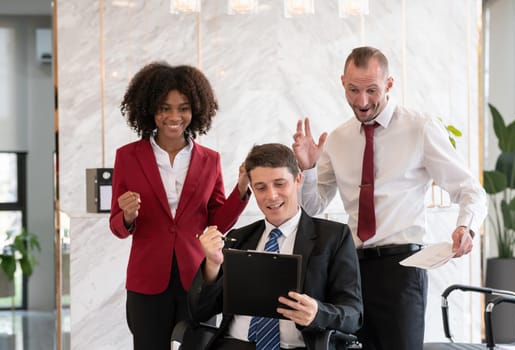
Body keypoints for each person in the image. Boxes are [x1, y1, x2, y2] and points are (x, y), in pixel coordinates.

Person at [292, 46, 487, 350]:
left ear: (389, 84)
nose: (362, 101)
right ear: (343, 82)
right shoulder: (339, 139)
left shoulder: (420, 128)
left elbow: (470, 189)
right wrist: (309, 169)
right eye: (353, 90)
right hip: (351, 268)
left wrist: (466, 227)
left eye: (372, 90)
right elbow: (314, 207)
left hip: (403, 267)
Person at [109, 62, 250, 350]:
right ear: (150, 109)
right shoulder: (127, 157)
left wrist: (242, 188)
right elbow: (118, 228)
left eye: (183, 108)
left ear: (195, 110)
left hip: (197, 277)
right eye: (164, 107)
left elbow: (218, 223)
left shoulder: (209, 159)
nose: (174, 116)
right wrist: (127, 216)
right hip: (146, 281)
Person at [188, 143, 363, 350]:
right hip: (235, 345)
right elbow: (199, 312)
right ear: (252, 189)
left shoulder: (333, 237)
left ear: (298, 179)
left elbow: (354, 315)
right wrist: (213, 265)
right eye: (261, 187)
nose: (271, 196)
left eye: (280, 184)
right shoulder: (239, 238)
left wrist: (317, 313)